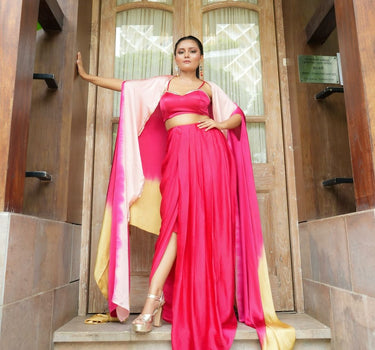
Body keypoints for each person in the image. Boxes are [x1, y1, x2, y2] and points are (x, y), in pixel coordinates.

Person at [77, 35, 295, 350]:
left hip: (210, 159)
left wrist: (218, 125)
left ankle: (150, 306)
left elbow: (238, 116)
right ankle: (157, 300)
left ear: (201, 57)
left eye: (192, 51)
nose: (187, 55)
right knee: (175, 226)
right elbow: (125, 86)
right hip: (177, 159)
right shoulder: (161, 85)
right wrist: (87, 77)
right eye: (181, 51)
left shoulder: (208, 89)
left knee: (192, 228)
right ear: (175, 57)